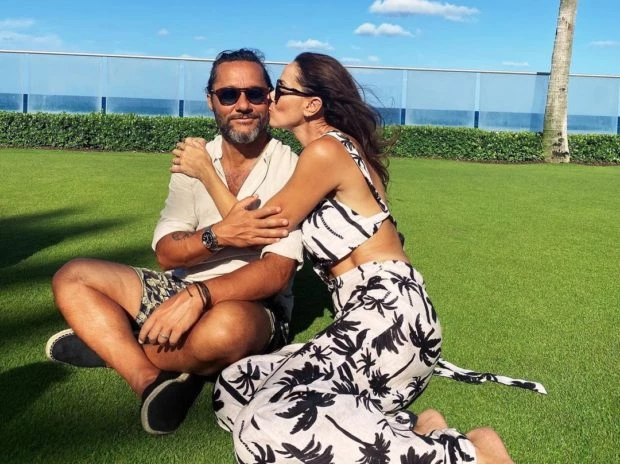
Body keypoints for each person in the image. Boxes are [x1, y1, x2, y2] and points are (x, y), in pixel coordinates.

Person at [172, 52, 546, 463]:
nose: (270, 98)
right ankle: (420, 428)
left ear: (311, 105)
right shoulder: (333, 152)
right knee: (235, 384)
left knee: (262, 428)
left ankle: (469, 454)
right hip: (363, 316)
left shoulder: (325, 152)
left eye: (280, 89)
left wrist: (205, 171)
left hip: (389, 316)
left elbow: (256, 229)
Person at [45, 48, 303, 435]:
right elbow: (167, 253)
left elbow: (276, 271)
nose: (243, 105)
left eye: (254, 93)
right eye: (228, 95)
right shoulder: (193, 159)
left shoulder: (292, 167)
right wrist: (218, 236)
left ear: (270, 98)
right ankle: (146, 377)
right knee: (73, 276)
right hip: (178, 288)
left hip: (252, 304)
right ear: (211, 101)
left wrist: (200, 294)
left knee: (224, 331)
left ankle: (116, 345)